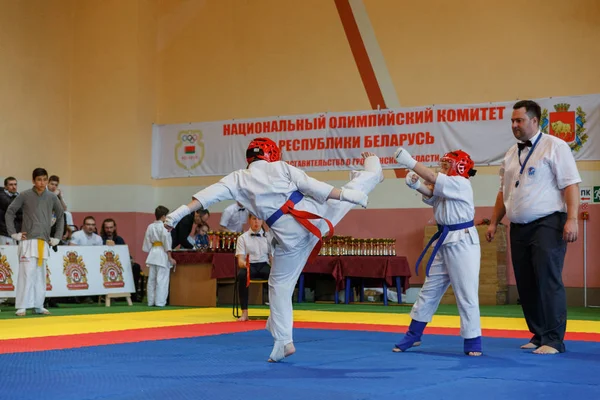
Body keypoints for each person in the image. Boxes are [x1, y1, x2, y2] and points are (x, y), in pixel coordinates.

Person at [165, 137, 382, 362]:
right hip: (314, 215)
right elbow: (313, 187)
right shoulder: (282, 167)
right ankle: (373, 168)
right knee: (349, 192)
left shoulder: (238, 178)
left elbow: (206, 196)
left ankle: (283, 341)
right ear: (272, 154)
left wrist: (179, 213)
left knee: (279, 286)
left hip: (289, 237)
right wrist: (346, 195)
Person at [486, 100, 581, 354]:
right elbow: (503, 192)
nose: (515, 125)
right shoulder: (510, 153)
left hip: (548, 224)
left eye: (519, 120)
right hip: (518, 227)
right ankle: (538, 334)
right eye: (512, 121)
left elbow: (571, 185)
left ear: (535, 121)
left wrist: (572, 219)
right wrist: (494, 221)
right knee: (526, 283)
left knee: (548, 280)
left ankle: (553, 339)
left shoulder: (555, 146)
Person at [393, 147, 482, 356]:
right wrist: (416, 185)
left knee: (466, 293)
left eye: (447, 164)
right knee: (429, 289)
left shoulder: (461, 184)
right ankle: (414, 334)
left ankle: (473, 340)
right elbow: (432, 193)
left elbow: (431, 178)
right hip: (444, 240)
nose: (442, 169)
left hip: (463, 241)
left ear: (460, 167)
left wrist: (409, 161)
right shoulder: (447, 186)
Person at [5, 168, 64, 316]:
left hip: (43, 242)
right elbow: (10, 212)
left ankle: (39, 305)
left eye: (45, 179)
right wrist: (13, 233)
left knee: (40, 274)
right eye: (39, 179)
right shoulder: (24, 195)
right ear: (33, 180)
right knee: (26, 273)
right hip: (27, 241)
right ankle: (22, 305)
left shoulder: (52, 197)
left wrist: (57, 236)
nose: (42, 182)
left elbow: (61, 215)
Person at [235, 214, 273, 321]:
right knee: (242, 275)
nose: (256, 222)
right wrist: (244, 264)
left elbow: (271, 257)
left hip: (264, 264)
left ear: (262, 221)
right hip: (249, 265)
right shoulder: (242, 238)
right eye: (254, 219)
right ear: (249, 220)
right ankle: (244, 313)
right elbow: (240, 260)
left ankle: (275, 313)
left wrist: (275, 269)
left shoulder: (268, 237)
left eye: (259, 219)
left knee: (275, 277)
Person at [143, 206, 176, 307]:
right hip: (162, 253)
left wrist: (151, 250)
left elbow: (147, 243)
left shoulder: (150, 226)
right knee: (162, 280)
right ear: (163, 216)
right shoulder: (165, 227)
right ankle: (160, 302)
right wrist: (170, 257)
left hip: (153, 253)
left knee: (151, 280)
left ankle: (151, 301)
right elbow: (167, 242)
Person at [0, 177, 22, 245]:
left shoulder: (18, 196)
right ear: (6, 187)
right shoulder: (2, 196)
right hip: (5, 233)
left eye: (15, 184)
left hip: (16, 233)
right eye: (11, 185)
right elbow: (14, 206)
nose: (14, 187)